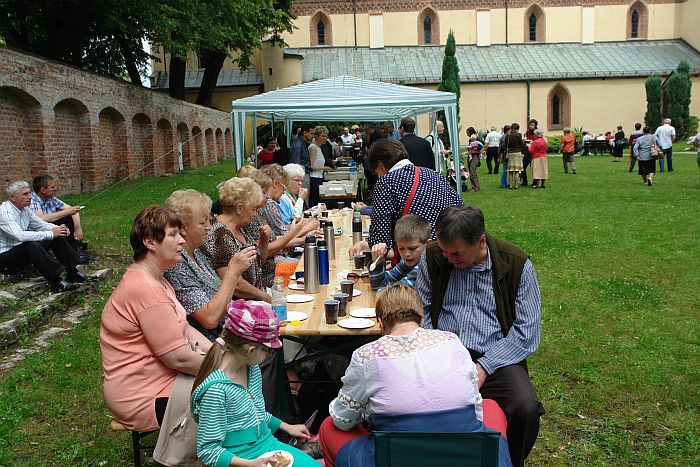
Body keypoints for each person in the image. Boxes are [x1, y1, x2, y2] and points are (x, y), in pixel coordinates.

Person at [318, 284, 511, 467]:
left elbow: (342, 420)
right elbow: (475, 405)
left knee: (329, 427)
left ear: (381, 322)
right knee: (491, 407)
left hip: (395, 456)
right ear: (421, 318)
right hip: (463, 449)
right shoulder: (451, 340)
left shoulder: (367, 355)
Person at [416, 205, 545, 466]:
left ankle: (510, 460)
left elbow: (527, 332)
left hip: (496, 356)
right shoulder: (433, 257)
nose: (449, 259)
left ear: (481, 241)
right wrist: (436, 349)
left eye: (457, 254)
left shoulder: (516, 264)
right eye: (444, 251)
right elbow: (421, 310)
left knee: (525, 407)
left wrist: (485, 366)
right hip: (441, 352)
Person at [100, 205, 213, 441]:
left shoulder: (154, 279)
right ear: (150, 242)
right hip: (144, 396)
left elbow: (186, 328)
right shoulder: (145, 289)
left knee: (235, 378)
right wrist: (223, 366)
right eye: (173, 234)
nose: (182, 240)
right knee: (227, 394)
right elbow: (178, 358)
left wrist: (218, 352)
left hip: (164, 381)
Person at [190, 300, 318, 467]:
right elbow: (208, 451)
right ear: (251, 350)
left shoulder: (252, 369)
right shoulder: (216, 391)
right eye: (268, 350)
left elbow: (255, 414)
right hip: (239, 460)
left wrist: (286, 426)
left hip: (268, 446)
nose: (269, 354)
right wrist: (249, 464)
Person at [348, 138, 462, 261]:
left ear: (380, 165)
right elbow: (460, 209)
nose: (378, 176)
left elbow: (381, 245)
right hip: (452, 253)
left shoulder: (386, 182)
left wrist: (368, 245)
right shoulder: (434, 175)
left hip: (419, 261)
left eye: (376, 172)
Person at [0, 181, 87, 291]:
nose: (30, 197)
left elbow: (41, 224)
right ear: (13, 197)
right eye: (25, 194)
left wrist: (57, 229)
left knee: (56, 235)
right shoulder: (5, 212)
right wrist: (51, 233)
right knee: (32, 245)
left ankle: (72, 272)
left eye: (30, 193)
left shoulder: (25, 209)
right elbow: (20, 236)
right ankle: (56, 282)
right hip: (5, 258)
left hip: (21, 250)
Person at [201, 177, 272, 302]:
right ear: (239, 208)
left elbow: (260, 261)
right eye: (253, 209)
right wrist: (266, 297)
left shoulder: (240, 227)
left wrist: (264, 239)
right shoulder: (219, 234)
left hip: (257, 297)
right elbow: (236, 285)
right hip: (243, 306)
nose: (255, 214)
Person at [30, 175, 90, 262]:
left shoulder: (51, 199)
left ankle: (75, 251)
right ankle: (72, 255)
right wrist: (68, 212)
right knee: (67, 216)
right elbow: (41, 219)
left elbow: (73, 211)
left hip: (50, 227)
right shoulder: (33, 200)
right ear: (43, 190)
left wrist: (78, 229)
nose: (55, 189)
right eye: (52, 187)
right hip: (39, 233)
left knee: (69, 217)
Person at [368, 214, 429, 290]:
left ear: (428, 244)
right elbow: (379, 286)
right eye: (401, 248)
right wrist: (377, 263)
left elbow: (394, 295)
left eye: (412, 248)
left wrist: (383, 290)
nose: (406, 254)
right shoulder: (406, 263)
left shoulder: (425, 266)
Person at [308, 126, 334, 208]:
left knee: (318, 201)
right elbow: (311, 166)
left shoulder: (319, 148)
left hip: (319, 177)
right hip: (314, 178)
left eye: (326, 136)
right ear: (316, 136)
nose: (325, 138)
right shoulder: (313, 148)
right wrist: (324, 168)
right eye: (323, 136)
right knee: (314, 202)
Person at [290, 123, 315, 188]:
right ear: (304, 133)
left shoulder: (302, 143)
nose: (313, 136)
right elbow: (296, 165)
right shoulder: (298, 145)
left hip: (304, 174)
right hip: (301, 176)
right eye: (311, 133)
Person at [506, 123, 526, 190]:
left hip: (510, 153)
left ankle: (511, 185)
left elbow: (506, 144)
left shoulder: (508, 135)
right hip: (517, 152)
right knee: (517, 170)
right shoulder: (519, 135)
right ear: (517, 128)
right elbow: (521, 144)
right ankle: (516, 185)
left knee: (511, 171)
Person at [499, 124, 511, 188]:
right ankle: (503, 183)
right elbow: (503, 146)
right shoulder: (506, 136)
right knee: (505, 169)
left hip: (503, 154)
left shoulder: (503, 136)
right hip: (505, 154)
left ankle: (505, 183)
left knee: (505, 169)